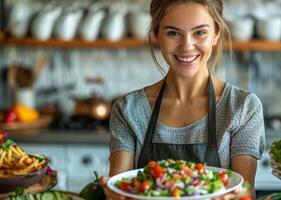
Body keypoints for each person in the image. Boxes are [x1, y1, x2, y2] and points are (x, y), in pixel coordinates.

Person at [99, 0, 265, 199]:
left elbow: (245, 192)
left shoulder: (242, 107)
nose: (187, 45)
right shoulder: (128, 109)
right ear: (156, 35)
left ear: (216, 34)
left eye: (199, 32)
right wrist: (113, 194)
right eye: (173, 33)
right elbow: (120, 187)